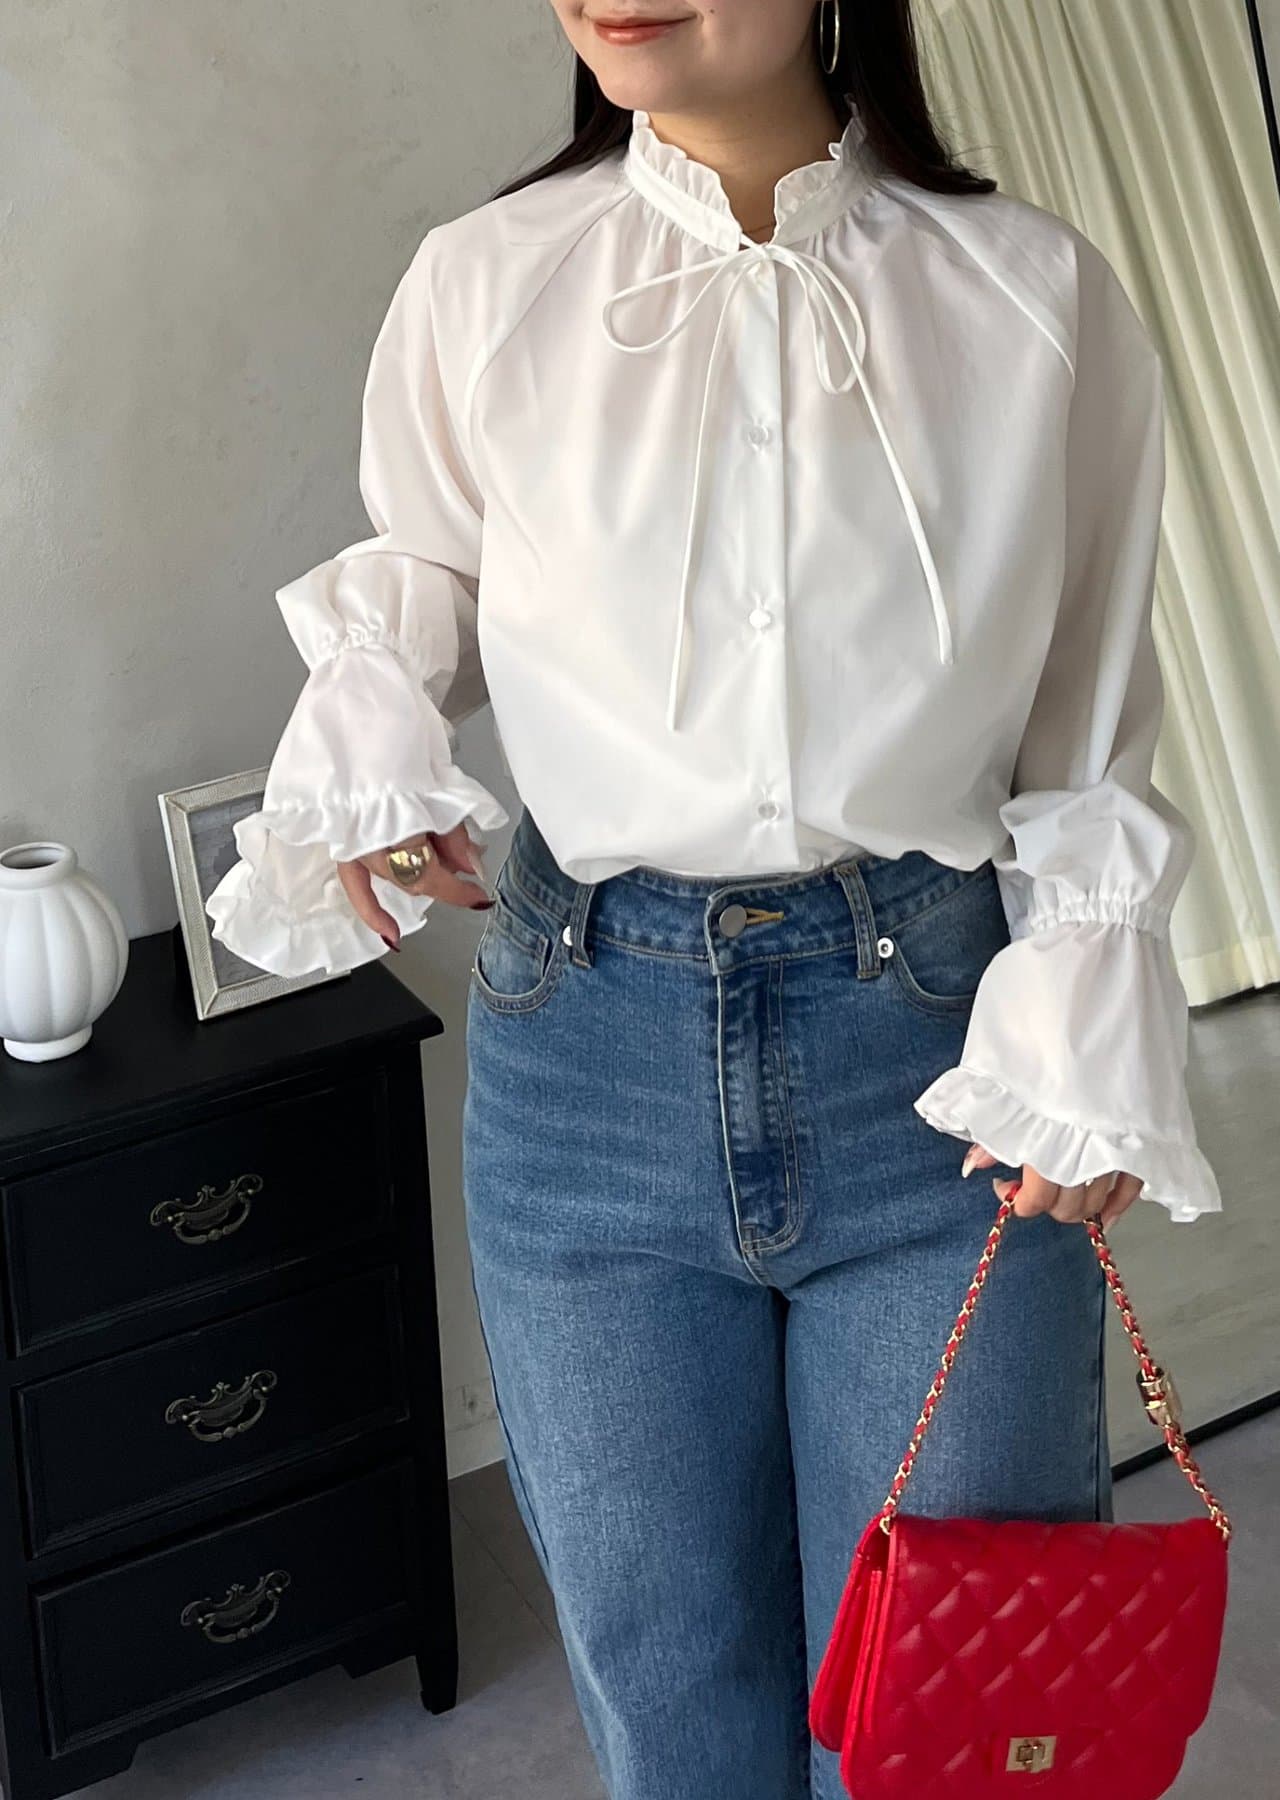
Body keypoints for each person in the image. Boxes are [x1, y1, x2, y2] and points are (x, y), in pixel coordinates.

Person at [205, 2, 1222, 1794]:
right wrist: (374, 745)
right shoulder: (484, 281)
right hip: (584, 1054)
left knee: (942, 1723)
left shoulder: (1033, 295)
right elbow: (434, 567)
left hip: (936, 1065)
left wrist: (1089, 994)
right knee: (670, 1703)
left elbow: (1086, 714)